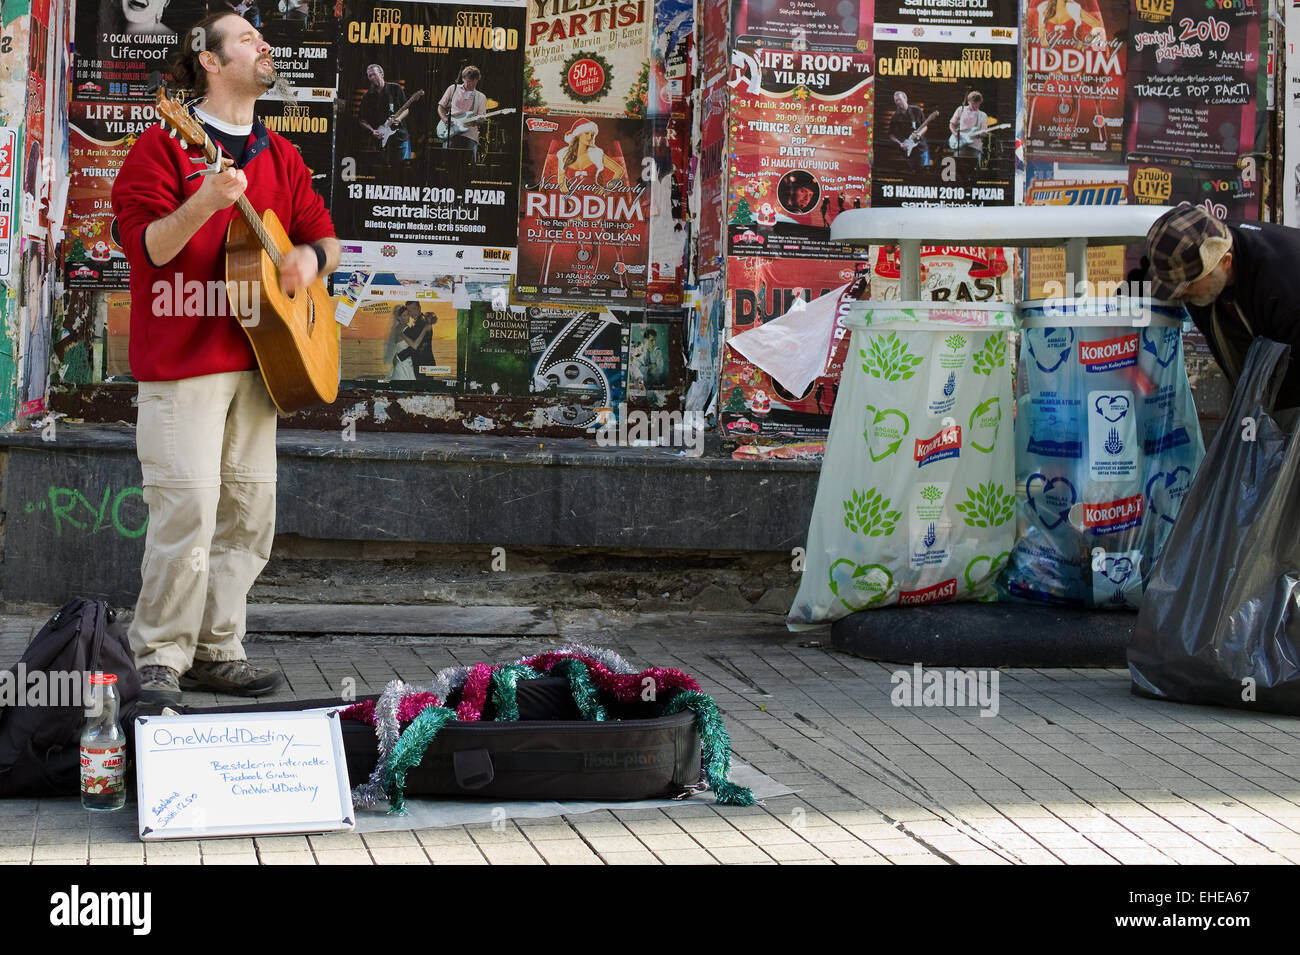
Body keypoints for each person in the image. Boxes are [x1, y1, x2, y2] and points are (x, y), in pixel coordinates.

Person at [110, 10, 340, 704]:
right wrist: (205, 202)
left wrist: (307, 259)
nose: (263, 45)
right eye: (246, 38)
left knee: (248, 514)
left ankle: (218, 648)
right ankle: (158, 655)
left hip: (264, 362)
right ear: (209, 61)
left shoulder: (281, 153)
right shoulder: (163, 145)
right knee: (187, 511)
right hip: (183, 364)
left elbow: (326, 241)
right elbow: (148, 248)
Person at [1144, 203, 1300, 408]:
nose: (1180, 293)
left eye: (1188, 283)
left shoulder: (1284, 284)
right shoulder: (1201, 250)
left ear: (1225, 262)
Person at [358, 64, 411, 164]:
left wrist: (399, 119)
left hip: (399, 138)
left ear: (382, 74)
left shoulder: (395, 89)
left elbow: (406, 109)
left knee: (402, 172)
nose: (372, 78)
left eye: (374, 74)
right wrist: (372, 131)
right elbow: (362, 120)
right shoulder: (367, 96)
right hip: (380, 141)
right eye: (369, 76)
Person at [555, 118, 628, 191]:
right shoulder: (564, 154)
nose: (590, 137)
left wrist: (607, 190)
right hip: (575, 201)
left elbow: (619, 170)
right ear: (578, 134)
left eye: (592, 135)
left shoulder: (596, 153)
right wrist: (570, 199)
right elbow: (561, 183)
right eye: (586, 133)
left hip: (596, 199)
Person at [438, 65, 488, 163]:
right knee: (447, 164)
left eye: (474, 82)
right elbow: (441, 107)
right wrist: (444, 119)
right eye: (468, 81)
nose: (471, 85)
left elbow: (481, 118)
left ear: (478, 80)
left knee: (468, 167)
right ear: (463, 78)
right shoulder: (453, 89)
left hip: (470, 136)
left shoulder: (481, 97)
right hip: (450, 134)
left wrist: (479, 121)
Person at [888, 90, 931, 171]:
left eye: (899, 99)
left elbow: (925, 126)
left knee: (925, 173)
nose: (898, 102)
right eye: (896, 100)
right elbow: (891, 134)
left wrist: (919, 134)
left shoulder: (916, 110)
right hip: (907, 151)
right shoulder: (895, 116)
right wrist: (900, 143)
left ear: (905, 99)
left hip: (921, 148)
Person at [949, 91, 989, 160]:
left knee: (973, 169)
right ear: (968, 102)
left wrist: (982, 134)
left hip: (975, 147)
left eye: (977, 104)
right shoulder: (960, 110)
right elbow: (951, 124)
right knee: (958, 167)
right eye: (973, 104)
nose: (975, 106)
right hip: (960, 146)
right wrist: (955, 134)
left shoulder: (983, 115)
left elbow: (984, 132)